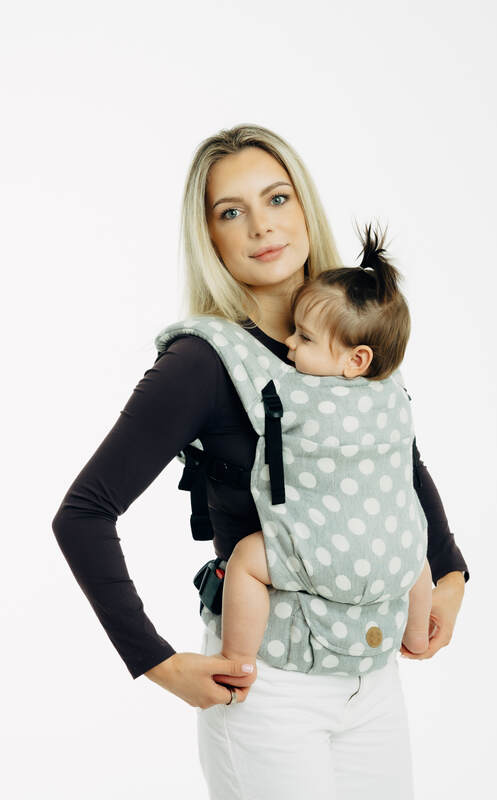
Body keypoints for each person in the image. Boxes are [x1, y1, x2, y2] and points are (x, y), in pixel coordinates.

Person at [52, 124, 469, 799]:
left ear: (304, 206)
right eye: (230, 212)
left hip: (372, 678)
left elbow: (399, 465)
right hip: (268, 689)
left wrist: (450, 574)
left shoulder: (352, 333)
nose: (260, 226)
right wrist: (158, 663)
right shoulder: (200, 362)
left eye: (277, 198)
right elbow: (83, 514)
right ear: (209, 237)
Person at [219, 221, 433, 680]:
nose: (289, 343)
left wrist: (205, 332)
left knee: (246, 562)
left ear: (356, 359)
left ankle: (236, 659)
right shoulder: (394, 393)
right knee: (418, 554)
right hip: (395, 551)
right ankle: (416, 637)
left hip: (324, 553)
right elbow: (412, 470)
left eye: (305, 337)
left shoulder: (293, 390)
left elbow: (242, 370)